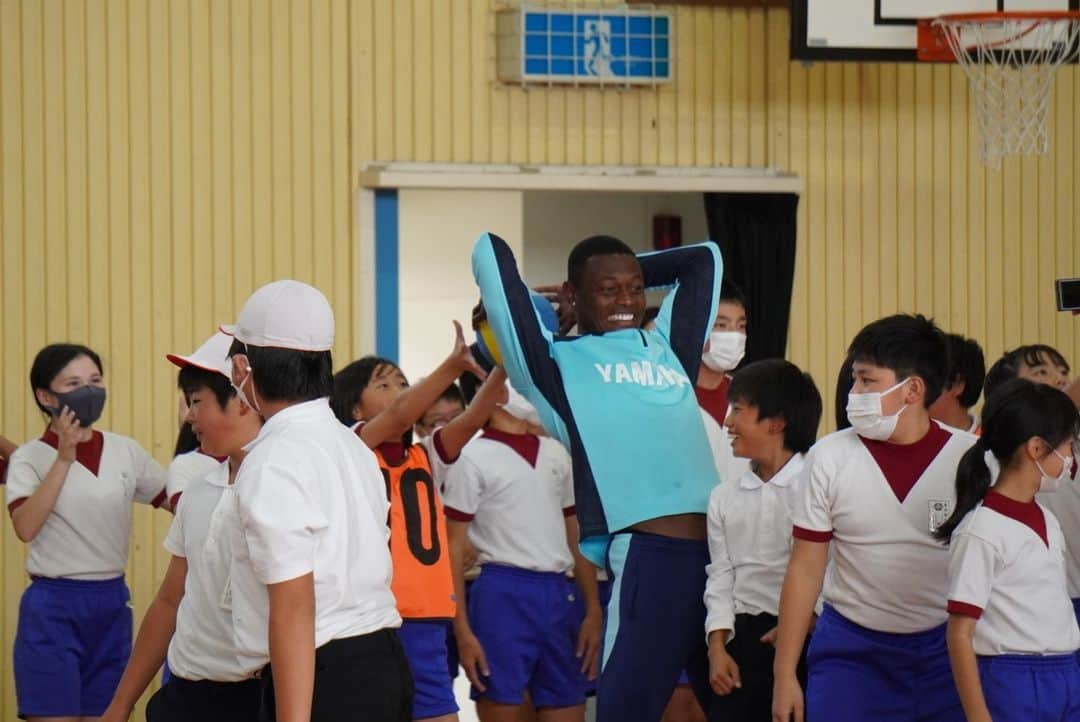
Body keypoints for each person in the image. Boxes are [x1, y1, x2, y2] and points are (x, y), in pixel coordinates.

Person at [472, 233, 722, 721]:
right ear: (573, 294)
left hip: (723, 559)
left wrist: (621, 269)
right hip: (653, 560)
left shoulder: (668, 347)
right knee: (624, 712)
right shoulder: (552, 364)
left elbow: (702, 260)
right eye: (608, 289)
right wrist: (538, 297)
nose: (627, 301)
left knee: (732, 708)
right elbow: (489, 250)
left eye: (635, 288)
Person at [772, 314, 975, 722]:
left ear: (912, 389)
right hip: (851, 654)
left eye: (867, 381)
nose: (853, 392)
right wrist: (784, 674)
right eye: (854, 380)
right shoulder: (829, 457)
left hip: (947, 653)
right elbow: (805, 569)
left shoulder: (971, 458)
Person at [225, 279, 412, 722]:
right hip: (383, 661)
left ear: (240, 369)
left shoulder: (273, 460)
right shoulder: (350, 445)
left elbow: (293, 608)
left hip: (325, 676)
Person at [330, 324, 505, 722]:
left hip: (426, 618)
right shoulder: (353, 448)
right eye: (385, 385)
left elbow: (478, 413)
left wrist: (509, 356)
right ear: (355, 409)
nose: (401, 392)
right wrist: (452, 364)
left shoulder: (427, 455)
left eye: (403, 382)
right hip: (374, 621)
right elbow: (399, 415)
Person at [101, 329, 264, 722]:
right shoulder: (198, 490)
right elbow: (169, 601)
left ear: (241, 399)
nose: (188, 416)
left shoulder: (285, 487)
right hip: (187, 694)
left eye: (196, 402)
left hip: (258, 696)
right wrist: (121, 705)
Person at [6, 343, 169, 721]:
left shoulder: (125, 451)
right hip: (53, 607)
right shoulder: (29, 458)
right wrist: (64, 457)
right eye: (74, 383)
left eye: (95, 381)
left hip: (111, 603)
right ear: (45, 396)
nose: (89, 391)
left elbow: (176, 499)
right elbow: (26, 526)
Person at [444, 383, 602, 722]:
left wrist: (593, 610)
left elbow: (575, 536)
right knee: (503, 705)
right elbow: (452, 548)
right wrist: (463, 631)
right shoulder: (471, 458)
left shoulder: (556, 453)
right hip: (501, 594)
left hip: (560, 592)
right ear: (495, 394)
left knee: (567, 704)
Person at [936, 379, 1080, 722]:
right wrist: (978, 715)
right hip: (1010, 681)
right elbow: (959, 633)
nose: (1072, 459)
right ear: (1035, 448)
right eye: (1069, 446)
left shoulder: (1048, 519)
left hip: (1065, 672)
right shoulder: (981, 530)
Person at [704, 360, 821, 722]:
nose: (727, 422)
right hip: (742, 640)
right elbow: (721, 575)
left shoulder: (817, 485)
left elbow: (834, 569)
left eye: (738, 410)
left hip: (808, 637)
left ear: (777, 421)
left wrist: (809, 621)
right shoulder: (724, 496)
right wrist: (717, 646)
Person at [163, 331, 234, 510]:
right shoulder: (188, 468)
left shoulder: (274, 462)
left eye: (196, 401)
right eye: (190, 401)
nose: (189, 416)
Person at [928, 334, 985, 434]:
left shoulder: (992, 445)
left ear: (957, 384)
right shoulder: (903, 439)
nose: (916, 390)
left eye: (927, 379)